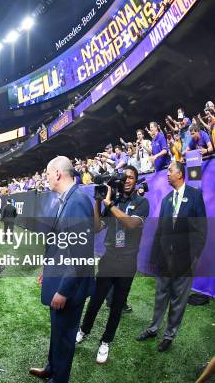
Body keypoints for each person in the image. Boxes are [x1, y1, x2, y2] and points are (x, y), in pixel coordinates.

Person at [30, 156, 94, 383]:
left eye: (47, 173)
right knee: (57, 332)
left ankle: (58, 379)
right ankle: (51, 369)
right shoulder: (69, 198)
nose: (45, 178)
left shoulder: (77, 201)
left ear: (57, 173)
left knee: (65, 336)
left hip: (69, 287)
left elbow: (80, 254)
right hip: (59, 277)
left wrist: (64, 290)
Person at [75, 166, 149, 364]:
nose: (126, 180)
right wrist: (99, 203)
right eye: (124, 177)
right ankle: (84, 330)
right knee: (96, 300)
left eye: (131, 177)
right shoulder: (114, 199)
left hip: (127, 261)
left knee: (116, 305)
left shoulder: (142, 202)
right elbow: (97, 227)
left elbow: (131, 224)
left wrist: (108, 203)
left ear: (136, 180)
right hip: (109, 258)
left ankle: (105, 342)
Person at [136, 161, 206, 352]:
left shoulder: (194, 196)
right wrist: (153, 256)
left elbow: (201, 229)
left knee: (178, 300)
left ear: (180, 174)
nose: (167, 174)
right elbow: (160, 231)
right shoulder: (167, 199)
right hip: (164, 260)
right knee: (160, 296)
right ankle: (153, 328)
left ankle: (169, 335)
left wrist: (194, 256)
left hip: (185, 260)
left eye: (170, 171)